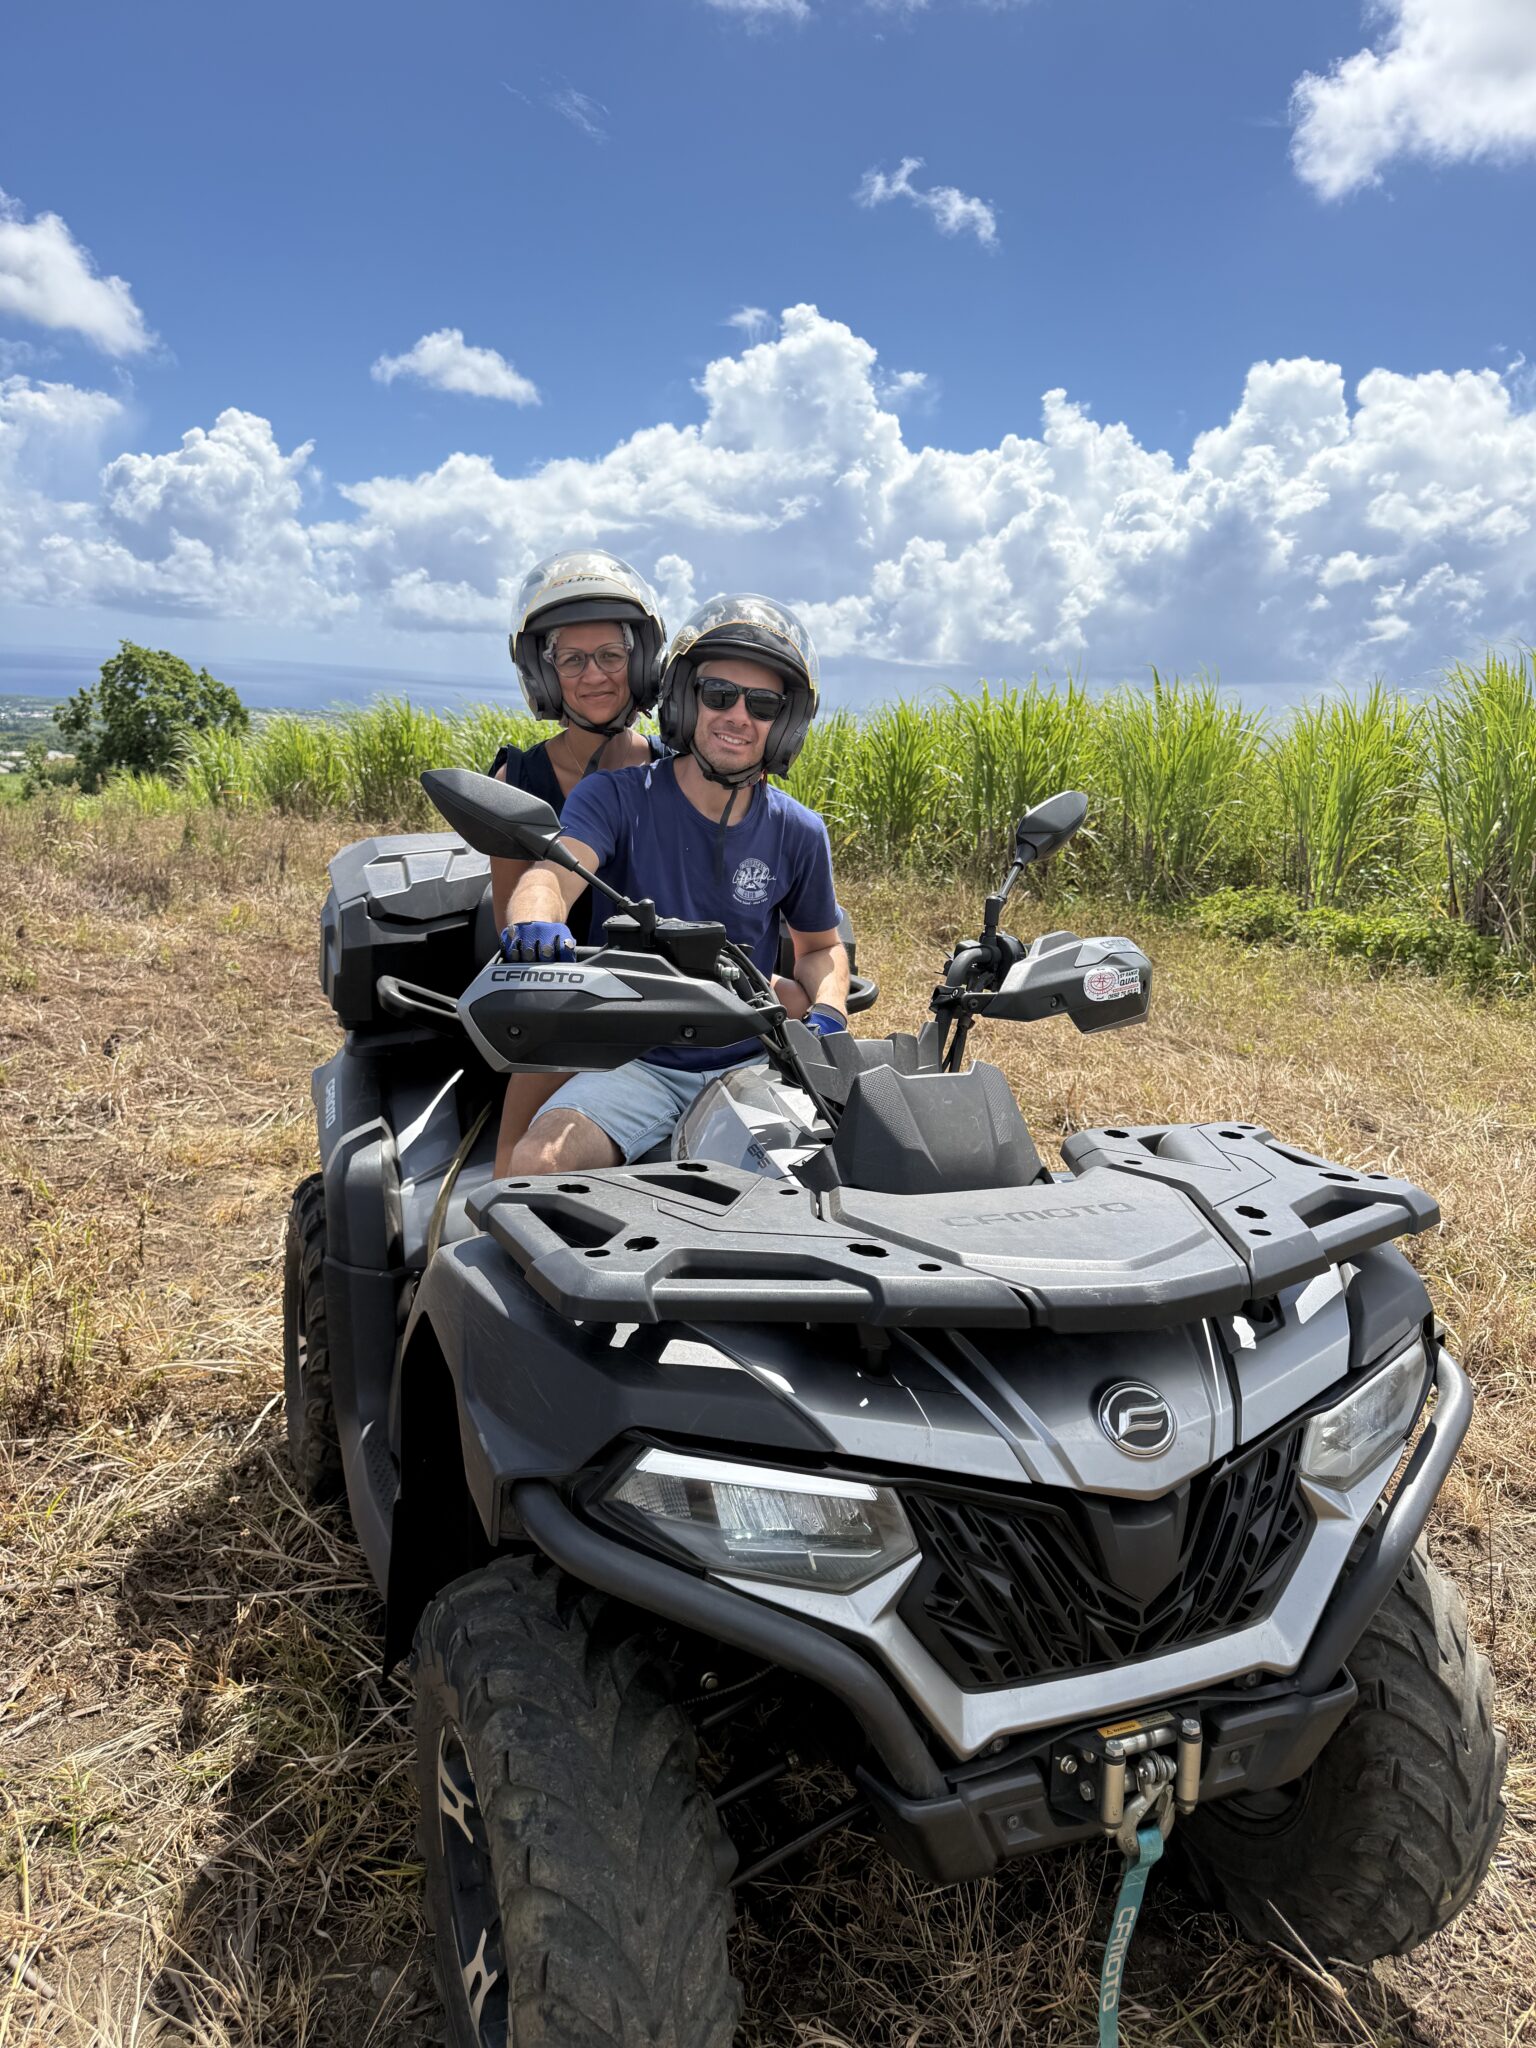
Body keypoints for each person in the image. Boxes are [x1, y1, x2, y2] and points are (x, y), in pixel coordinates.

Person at [502, 594, 850, 1174]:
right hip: (633, 1062)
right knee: (537, 1164)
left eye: (763, 705)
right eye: (719, 695)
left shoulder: (799, 831)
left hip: (751, 1062)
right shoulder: (615, 797)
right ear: (687, 700)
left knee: (818, 1186)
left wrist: (830, 1009)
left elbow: (820, 948)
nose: (738, 716)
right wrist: (536, 920)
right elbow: (552, 875)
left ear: (784, 725)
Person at [487, 549, 668, 1173]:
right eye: (572, 660)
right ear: (545, 674)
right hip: (566, 1005)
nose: (594, 675)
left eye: (611, 656)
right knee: (517, 1169)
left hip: (669, 1002)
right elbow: (512, 924)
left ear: (638, 662)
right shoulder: (520, 781)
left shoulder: (679, 774)